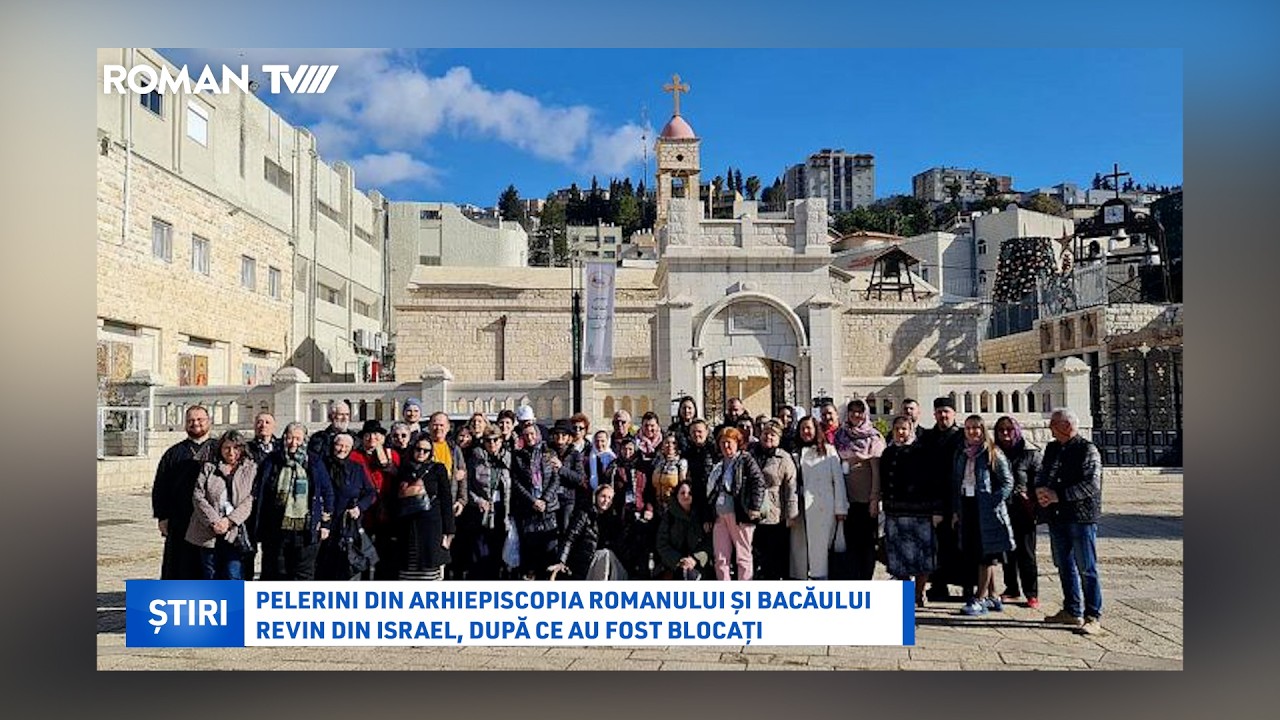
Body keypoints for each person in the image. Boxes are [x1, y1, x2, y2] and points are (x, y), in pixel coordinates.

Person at [1035, 408, 1104, 635]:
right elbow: (1044, 472)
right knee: (1063, 564)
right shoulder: (1053, 448)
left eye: (1053, 424)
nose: (1050, 428)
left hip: (1081, 517)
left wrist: (1059, 495)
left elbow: (1091, 484)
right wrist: (1041, 491)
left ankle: (1092, 615)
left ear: (1066, 426)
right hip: (1058, 516)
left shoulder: (1087, 449)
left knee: (1086, 567)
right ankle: (1071, 610)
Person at [254, 422, 333, 581]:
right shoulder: (272, 461)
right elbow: (262, 492)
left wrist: (325, 523)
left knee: (303, 574)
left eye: (298, 439)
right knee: (276, 572)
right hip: (276, 528)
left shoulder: (314, 462)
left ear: (304, 440)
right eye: (290, 438)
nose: (293, 443)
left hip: (306, 529)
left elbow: (327, 492)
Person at [953, 415, 1015, 617]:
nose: (972, 431)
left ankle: (979, 599)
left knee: (985, 554)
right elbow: (956, 482)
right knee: (975, 551)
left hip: (987, 508)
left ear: (982, 430)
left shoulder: (992, 452)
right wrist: (956, 510)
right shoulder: (962, 453)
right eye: (968, 428)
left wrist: (993, 501)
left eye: (976, 428)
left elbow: (1007, 482)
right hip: (967, 505)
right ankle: (993, 595)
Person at [880, 415, 941, 607]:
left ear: (911, 430)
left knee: (922, 556)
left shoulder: (922, 452)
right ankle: (907, 593)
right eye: (897, 429)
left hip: (919, 513)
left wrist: (936, 510)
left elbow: (934, 482)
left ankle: (920, 592)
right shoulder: (888, 453)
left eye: (904, 429)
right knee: (899, 558)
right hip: (894, 513)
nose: (900, 432)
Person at [152, 405, 215, 579]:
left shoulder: (219, 449)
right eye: (191, 420)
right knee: (179, 565)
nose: (196, 423)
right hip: (180, 519)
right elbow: (161, 486)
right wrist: (162, 516)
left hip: (211, 519)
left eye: (200, 419)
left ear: (209, 421)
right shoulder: (174, 453)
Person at [186, 430, 256, 580]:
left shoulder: (250, 469)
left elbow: (250, 499)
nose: (231, 452)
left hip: (234, 532)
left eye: (236, 448)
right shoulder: (209, 468)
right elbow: (198, 496)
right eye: (227, 448)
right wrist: (214, 521)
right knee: (211, 574)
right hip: (209, 530)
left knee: (233, 574)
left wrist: (229, 521)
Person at [833, 399, 885, 581]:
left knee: (866, 543)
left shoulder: (873, 437)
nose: (856, 415)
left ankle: (865, 580)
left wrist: (874, 498)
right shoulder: (840, 435)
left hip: (865, 499)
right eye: (852, 411)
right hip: (846, 499)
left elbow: (877, 471)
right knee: (850, 543)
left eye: (859, 411)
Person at [313, 432, 377, 580]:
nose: (342, 449)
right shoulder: (321, 466)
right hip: (324, 523)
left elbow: (370, 492)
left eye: (346, 446)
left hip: (347, 525)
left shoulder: (357, 469)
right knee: (323, 568)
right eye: (339, 445)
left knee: (346, 569)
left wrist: (359, 507)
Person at [994, 415, 1043, 609]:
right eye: (1001, 430)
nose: (1005, 433)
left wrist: (1031, 498)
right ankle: (1011, 588)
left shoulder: (1030, 453)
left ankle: (1031, 592)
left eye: (1009, 429)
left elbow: (1039, 479)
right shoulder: (994, 452)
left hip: (1023, 509)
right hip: (1002, 509)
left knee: (1026, 553)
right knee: (1007, 551)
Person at [791, 416, 847, 580]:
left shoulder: (828, 451)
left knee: (820, 550)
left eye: (809, 428)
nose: (805, 432)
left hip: (823, 507)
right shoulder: (795, 452)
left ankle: (820, 580)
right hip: (800, 507)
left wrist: (841, 508)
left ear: (816, 430)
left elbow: (838, 480)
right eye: (802, 428)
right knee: (801, 549)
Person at [920, 397, 965, 602]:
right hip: (935, 499)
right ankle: (938, 586)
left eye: (946, 411)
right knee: (937, 545)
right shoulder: (929, 437)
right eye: (939, 412)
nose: (943, 415)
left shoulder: (962, 436)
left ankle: (967, 587)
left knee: (961, 545)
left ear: (953, 413)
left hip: (959, 498)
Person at [706, 427, 765, 581]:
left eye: (729, 442)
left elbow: (758, 482)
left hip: (739, 515)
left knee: (743, 556)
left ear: (737, 443)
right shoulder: (719, 464)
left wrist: (754, 507)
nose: (726, 446)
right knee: (720, 558)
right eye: (723, 443)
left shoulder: (746, 459)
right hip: (719, 516)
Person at [393, 437, 455, 581]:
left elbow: (446, 499)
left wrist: (449, 531)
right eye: (418, 449)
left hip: (431, 525)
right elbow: (395, 498)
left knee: (429, 569)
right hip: (408, 526)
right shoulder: (404, 469)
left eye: (426, 450)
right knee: (408, 569)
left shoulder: (438, 469)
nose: (421, 453)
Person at [510, 423, 560, 579]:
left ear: (538, 435)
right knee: (530, 552)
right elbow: (516, 483)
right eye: (526, 435)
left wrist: (544, 500)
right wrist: (533, 501)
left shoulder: (549, 453)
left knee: (549, 550)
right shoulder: (518, 456)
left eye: (532, 434)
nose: (530, 437)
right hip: (529, 508)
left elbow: (555, 479)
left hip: (548, 509)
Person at [350, 420, 399, 580]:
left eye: (376, 434)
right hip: (364, 511)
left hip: (386, 510)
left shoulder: (392, 455)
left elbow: (399, 477)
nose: (372, 438)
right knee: (362, 550)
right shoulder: (354, 456)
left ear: (383, 438)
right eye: (368, 435)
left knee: (385, 553)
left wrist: (386, 463)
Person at [750, 420, 798, 580]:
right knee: (755, 554)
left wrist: (791, 514)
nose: (768, 437)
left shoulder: (783, 458)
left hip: (774, 513)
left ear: (779, 438)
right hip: (752, 512)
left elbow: (791, 486)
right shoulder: (751, 454)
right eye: (766, 433)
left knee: (774, 557)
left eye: (773, 435)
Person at [550, 484, 627, 580]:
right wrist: (561, 561)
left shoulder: (612, 520)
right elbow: (570, 538)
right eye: (603, 496)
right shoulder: (584, 514)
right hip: (583, 564)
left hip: (602, 565)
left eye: (609, 498)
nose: (606, 500)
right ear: (596, 497)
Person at [468, 429, 514, 579]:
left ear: (501, 441)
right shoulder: (475, 458)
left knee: (499, 553)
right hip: (482, 512)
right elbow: (467, 486)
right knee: (480, 554)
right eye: (488, 440)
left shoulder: (509, 458)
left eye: (495, 440)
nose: (492, 443)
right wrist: (477, 500)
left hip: (502, 511)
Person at [656, 481, 713, 580]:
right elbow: (661, 543)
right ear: (677, 495)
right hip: (674, 566)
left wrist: (695, 559)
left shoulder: (701, 516)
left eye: (689, 493)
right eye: (682, 493)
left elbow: (709, 543)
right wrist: (679, 560)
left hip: (697, 565)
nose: (686, 496)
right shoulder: (669, 516)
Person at [547, 419, 588, 542]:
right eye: (557, 435)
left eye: (563, 435)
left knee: (566, 531)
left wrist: (561, 468)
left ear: (569, 437)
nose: (560, 439)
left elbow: (580, 478)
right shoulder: (548, 451)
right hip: (550, 498)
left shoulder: (575, 454)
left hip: (568, 500)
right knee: (550, 534)